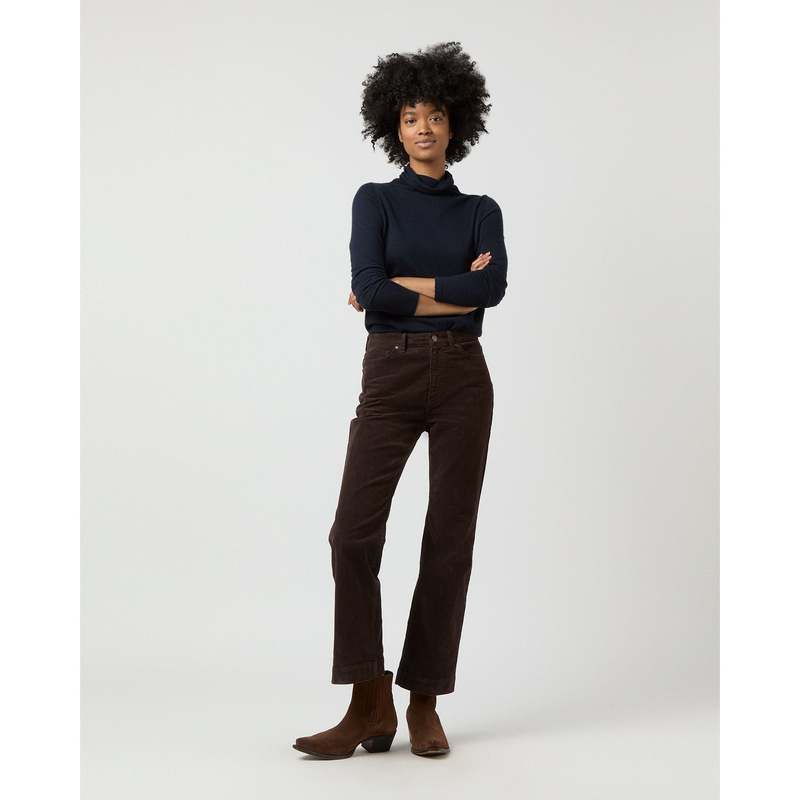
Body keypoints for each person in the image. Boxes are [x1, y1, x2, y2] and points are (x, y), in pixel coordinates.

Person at [293, 41, 508, 759]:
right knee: (352, 536)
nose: (423, 127)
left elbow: (489, 290)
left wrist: (401, 287)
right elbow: (370, 287)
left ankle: (423, 703)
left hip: (464, 379)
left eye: (436, 116)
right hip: (389, 376)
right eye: (411, 116)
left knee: (449, 540)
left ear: (455, 125)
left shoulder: (480, 210)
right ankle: (368, 701)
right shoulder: (375, 200)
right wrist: (449, 289)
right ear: (394, 124)